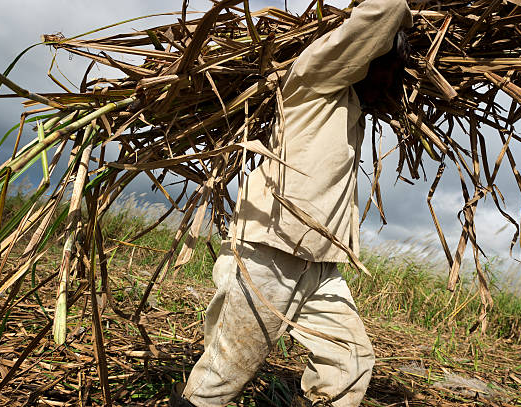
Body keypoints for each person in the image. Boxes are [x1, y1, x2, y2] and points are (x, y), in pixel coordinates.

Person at [172, 0, 413, 405]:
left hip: (320, 261)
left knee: (349, 361)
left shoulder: (349, 111)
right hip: (273, 250)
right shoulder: (313, 78)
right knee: (227, 370)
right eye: (387, 65)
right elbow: (382, 11)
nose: (389, 80)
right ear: (366, 55)